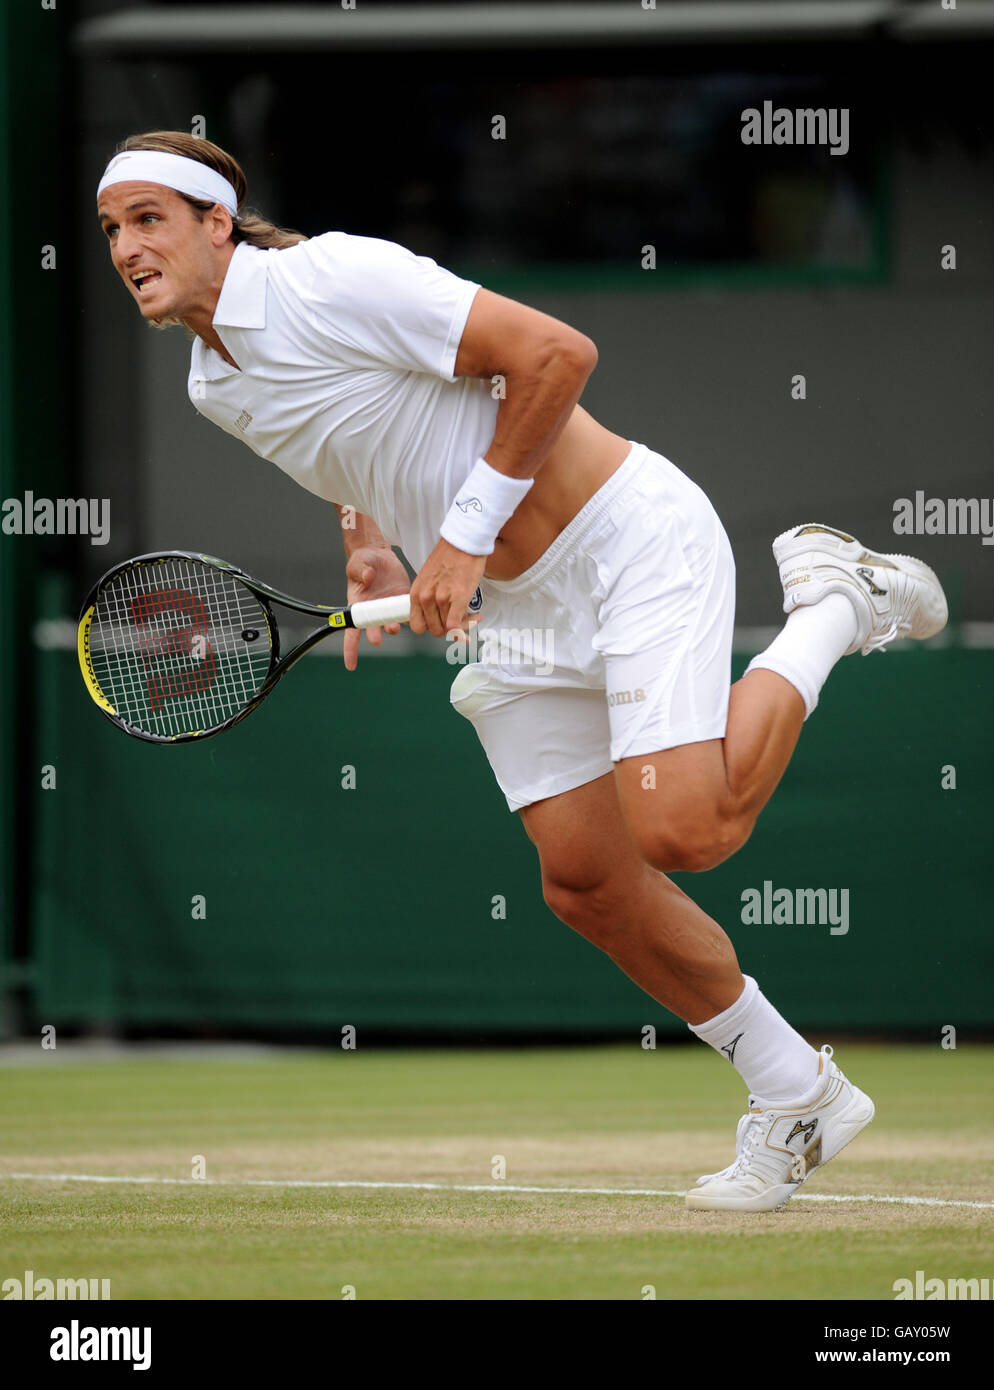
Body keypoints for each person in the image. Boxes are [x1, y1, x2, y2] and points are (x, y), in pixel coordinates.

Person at [96, 131, 947, 1212]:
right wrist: (367, 541)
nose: (127, 246)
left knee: (682, 831)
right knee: (586, 881)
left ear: (218, 223)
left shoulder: (335, 276)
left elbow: (554, 353)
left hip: (624, 543)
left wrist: (457, 538)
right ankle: (795, 1093)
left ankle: (834, 601)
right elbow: (348, 442)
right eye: (113, 229)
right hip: (517, 614)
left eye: (150, 219)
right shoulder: (213, 383)